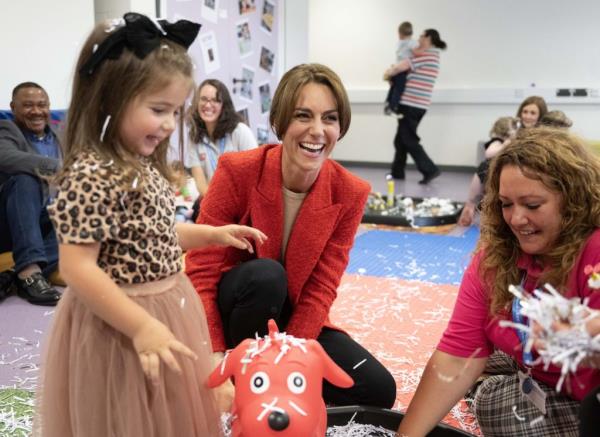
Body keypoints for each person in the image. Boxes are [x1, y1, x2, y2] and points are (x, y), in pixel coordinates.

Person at [34, 13, 266, 437]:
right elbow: (76, 267)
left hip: (165, 311)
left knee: (166, 414)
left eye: (176, 112)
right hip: (118, 325)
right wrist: (140, 327)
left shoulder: (142, 166)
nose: (168, 124)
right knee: (125, 417)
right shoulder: (92, 173)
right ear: (110, 99)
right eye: (158, 109)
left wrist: (211, 235)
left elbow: (152, 234)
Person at [186, 63, 397, 411]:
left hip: (288, 321)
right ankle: (243, 381)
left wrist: (289, 362)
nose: (317, 131)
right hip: (233, 314)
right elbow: (202, 271)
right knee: (267, 275)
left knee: (377, 391)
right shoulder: (238, 170)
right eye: (303, 116)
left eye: (329, 118)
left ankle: (267, 389)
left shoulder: (350, 191)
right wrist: (214, 354)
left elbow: (321, 287)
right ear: (281, 122)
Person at [398, 127, 600, 437]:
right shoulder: (497, 256)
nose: (517, 219)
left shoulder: (594, 252)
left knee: (498, 408)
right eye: (506, 204)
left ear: (572, 202)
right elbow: (456, 356)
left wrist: (587, 340)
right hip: (536, 361)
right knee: (491, 374)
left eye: (532, 205)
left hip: (585, 394)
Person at [0, 82, 62, 305]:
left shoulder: (61, 135)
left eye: (41, 105)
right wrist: (60, 167)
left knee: (75, 215)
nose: (36, 111)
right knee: (25, 179)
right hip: (10, 222)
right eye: (27, 105)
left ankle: (13, 276)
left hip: (46, 222)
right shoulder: (6, 130)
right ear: (13, 108)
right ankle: (28, 272)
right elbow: (6, 158)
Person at [186, 78, 257, 222]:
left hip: (242, 204)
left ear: (224, 105)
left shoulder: (239, 131)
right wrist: (217, 208)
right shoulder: (194, 137)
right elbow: (201, 186)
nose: (208, 105)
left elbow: (255, 176)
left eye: (215, 100)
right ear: (197, 103)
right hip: (212, 203)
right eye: (203, 99)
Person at [384, 29, 446, 184]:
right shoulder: (433, 56)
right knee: (400, 139)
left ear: (429, 38)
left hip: (411, 104)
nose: (418, 38)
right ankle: (397, 172)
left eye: (421, 36)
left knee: (408, 138)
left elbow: (401, 66)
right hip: (417, 104)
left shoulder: (428, 55)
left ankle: (430, 169)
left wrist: (389, 73)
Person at [458, 116, 519, 226]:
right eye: (514, 129)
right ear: (505, 131)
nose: (516, 132)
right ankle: (467, 217)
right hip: (485, 173)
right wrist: (505, 145)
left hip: (492, 173)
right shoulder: (497, 142)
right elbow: (489, 153)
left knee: (483, 200)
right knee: (474, 201)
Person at [383, 21, 418, 116]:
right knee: (399, 89)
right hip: (401, 71)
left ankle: (388, 103)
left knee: (393, 88)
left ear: (400, 33)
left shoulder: (400, 43)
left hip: (395, 68)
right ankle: (392, 107)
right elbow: (417, 52)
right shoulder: (412, 43)